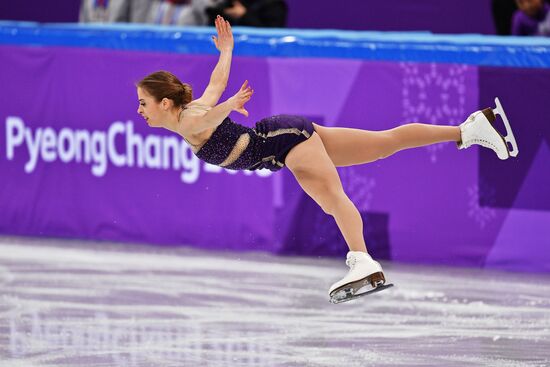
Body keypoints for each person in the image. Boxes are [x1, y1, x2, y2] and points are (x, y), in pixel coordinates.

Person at [136, 16, 519, 303]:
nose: (140, 111)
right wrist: (227, 52)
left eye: (143, 103)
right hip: (285, 136)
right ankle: (469, 129)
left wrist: (229, 106)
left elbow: (207, 117)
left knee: (331, 198)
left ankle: (363, 259)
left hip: (283, 143)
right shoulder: (191, 113)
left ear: (164, 103)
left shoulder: (189, 119)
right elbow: (216, 85)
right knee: (385, 142)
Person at [205, 0, 287, 27]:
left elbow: (272, 33)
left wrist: (244, 15)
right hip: (227, 50)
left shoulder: (274, 4)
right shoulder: (233, 2)